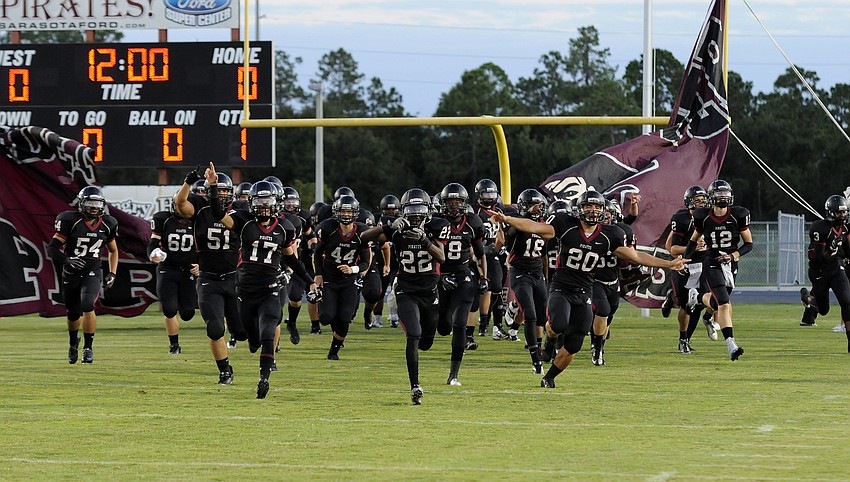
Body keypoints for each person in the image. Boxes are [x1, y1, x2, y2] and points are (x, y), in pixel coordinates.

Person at [491, 190, 686, 388]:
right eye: (588, 207)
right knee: (558, 324)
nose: (592, 211)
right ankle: (549, 341)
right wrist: (507, 219)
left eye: (596, 207)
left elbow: (635, 256)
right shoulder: (566, 225)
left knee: (575, 343)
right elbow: (534, 227)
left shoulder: (611, 234)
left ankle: (549, 377)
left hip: (585, 291)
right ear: (579, 209)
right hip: (561, 287)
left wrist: (668, 265)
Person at [207, 171, 317, 399]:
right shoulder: (243, 221)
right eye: (259, 201)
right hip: (245, 291)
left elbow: (292, 259)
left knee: (268, 330)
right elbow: (218, 214)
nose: (264, 206)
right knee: (251, 339)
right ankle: (255, 348)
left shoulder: (286, 227)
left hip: (270, 288)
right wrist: (214, 188)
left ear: (277, 202)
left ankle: (264, 379)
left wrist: (309, 283)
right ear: (251, 202)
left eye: (267, 202)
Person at [361, 189, 448, 405]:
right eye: (411, 210)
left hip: (430, 292)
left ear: (429, 211)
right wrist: (388, 226)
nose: (416, 215)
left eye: (420, 210)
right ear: (403, 211)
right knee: (414, 334)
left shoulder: (436, 226)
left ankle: (416, 364)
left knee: (426, 342)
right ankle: (415, 386)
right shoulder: (397, 228)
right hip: (406, 290)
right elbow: (364, 237)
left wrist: (425, 240)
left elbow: (442, 257)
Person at [175, 166, 247, 385]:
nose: (223, 195)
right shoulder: (199, 208)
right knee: (215, 328)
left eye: (226, 191)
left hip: (235, 277)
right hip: (209, 278)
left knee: (242, 332)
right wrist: (187, 182)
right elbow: (180, 204)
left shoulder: (241, 211)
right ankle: (224, 369)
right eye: (219, 191)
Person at [47, 186, 119, 364]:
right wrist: (67, 260)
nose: (94, 208)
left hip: (92, 270)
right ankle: (73, 343)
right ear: (81, 204)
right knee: (73, 313)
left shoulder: (108, 223)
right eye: (90, 203)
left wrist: (112, 273)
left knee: (88, 305)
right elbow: (52, 248)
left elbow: (113, 250)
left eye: (97, 204)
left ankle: (88, 348)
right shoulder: (70, 220)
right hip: (71, 272)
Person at [684, 180, 753, 361]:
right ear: (712, 197)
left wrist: (733, 256)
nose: (723, 197)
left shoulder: (739, 215)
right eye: (719, 194)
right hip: (712, 261)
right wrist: (684, 259)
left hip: (730, 263)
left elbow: (749, 243)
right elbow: (693, 240)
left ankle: (698, 298)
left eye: (726, 193)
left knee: (716, 304)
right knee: (723, 303)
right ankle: (731, 345)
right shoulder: (703, 216)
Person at [435, 182, 487, 386]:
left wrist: (484, 277)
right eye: (450, 202)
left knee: (459, 324)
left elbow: (481, 254)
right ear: (443, 204)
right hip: (441, 277)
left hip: (463, 276)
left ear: (465, 203)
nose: (454, 206)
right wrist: (439, 277)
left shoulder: (473, 223)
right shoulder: (436, 222)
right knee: (443, 327)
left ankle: (453, 374)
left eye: (458, 202)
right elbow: (429, 254)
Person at [313, 195, 373, 360]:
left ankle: (334, 350)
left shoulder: (362, 232)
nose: (346, 215)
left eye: (349, 211)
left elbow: (366, 262)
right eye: (343, 211)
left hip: (348, 281)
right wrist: (318, 274)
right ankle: (331, 321)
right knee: (326, 317)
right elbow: (317, 253)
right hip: (329, 278)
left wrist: (352, 269)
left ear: (355, 213)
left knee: (345, 317)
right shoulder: (327, 227)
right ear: (336, 212)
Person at [498, 188, 548, 373]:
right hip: (520, 272)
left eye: (539, 206)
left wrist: (546, 276)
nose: (537, 209)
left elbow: (543, 255)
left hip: (537, 273)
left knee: (542, 317)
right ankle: (536, 360)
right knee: (530, 314)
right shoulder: (516, 226)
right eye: (533, 206)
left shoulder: (545, 225)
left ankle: (539, 347)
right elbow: (509, 234)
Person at [663, 186, 716, 354]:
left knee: (699, 304)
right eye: (697, 200)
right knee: (686, 305)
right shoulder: (682, 219)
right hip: (685, 265)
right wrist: (691, 246)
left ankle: (687, 339)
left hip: (704, 265)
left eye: (703, 200)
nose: (701, 203)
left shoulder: (712, 217)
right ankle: (682, 338)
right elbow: (672, 249)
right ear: (689, 202)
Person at [586, 198, 637, 366]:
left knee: (609, 314)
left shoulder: (620, 232)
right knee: (603, 310)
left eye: (609, 215)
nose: (606, 218)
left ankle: (596, 342)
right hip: (594, 278)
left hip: (612, 279)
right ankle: (598, 349)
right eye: (604, 215)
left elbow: (630, 255)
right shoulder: (590, 231)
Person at [148, 194, 200, 355]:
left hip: (188, 271)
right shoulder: (163, 219)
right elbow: (153, 245)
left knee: (187, 313)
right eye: (179, 205)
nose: (181, 209)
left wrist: (201, 265)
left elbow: (207, 249)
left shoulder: (198, 222)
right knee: (169, 309)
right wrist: (153, 255)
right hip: (167, 268)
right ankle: (174, 345)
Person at [799, 195, 850, 351]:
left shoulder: (846, 228)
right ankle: (808, 298)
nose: (842, 216)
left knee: (847, 301)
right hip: (819, 270)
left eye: (844, 212)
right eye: (838, 213)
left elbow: (848, 251)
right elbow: (820, 257)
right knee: (824, 310)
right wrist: (832, 247)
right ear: (830, 212)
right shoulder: (818, 227)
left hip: (836, 267)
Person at [471, 178, 507, 340]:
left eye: (492, 193)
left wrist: (496, 250)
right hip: (477, 254)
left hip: (492, 254)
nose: (489, 197)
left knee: (497, 287)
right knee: (484, 289)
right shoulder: (474, 213)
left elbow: (500, 235)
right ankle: (484, 324)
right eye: (486, 193)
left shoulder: (497, 210)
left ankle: (497, 326)